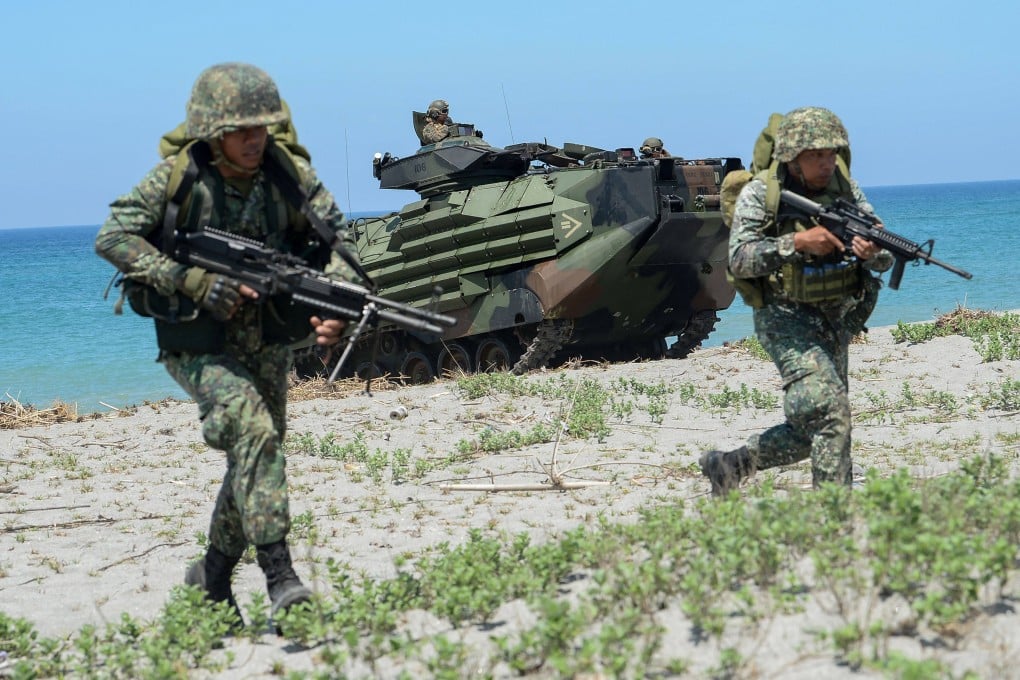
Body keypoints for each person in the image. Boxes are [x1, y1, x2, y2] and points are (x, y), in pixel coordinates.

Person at [95, 62, 360, 627]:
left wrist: (335, 308)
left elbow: (341, 246)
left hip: (266, 341)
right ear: (213, 130)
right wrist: (188, 279)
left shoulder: (287, 175)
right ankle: (281, 578)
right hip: (197, 342)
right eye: (241, 130)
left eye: (262, 127)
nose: (254, 139)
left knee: (255, 453)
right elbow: (113, 236)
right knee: (256, 433)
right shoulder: (178, 178)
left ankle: (211, 582)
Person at [699, 106, 893, 495]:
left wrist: (873, 252)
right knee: (831, 414)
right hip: (784, 318)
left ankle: (730, 465)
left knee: (814, 430)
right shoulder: (760, 195)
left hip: (837, 318)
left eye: (830, 154)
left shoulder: (847, 190)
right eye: (815, 156)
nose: (826, 164)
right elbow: (738, 259)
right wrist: (798, 242)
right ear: (791, 157)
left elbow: (884, 258)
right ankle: (834, 516)